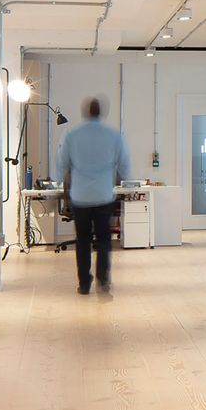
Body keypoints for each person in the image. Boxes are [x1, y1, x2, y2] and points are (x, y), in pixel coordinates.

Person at [53, 97, 130, 295]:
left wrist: (56, 180)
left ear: (86, 112)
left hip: (81, 197)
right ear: (101, 112)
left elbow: (62, 163)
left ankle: (84, 283)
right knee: (104, 240)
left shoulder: (72, 134)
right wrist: (127, 181)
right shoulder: (113, 135)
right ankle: (103, 281)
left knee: (83, 241)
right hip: (104, 195)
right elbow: (124, 163)